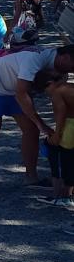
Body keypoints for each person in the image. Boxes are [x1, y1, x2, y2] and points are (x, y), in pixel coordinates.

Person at [0, 45, 74, 193]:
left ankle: (31, 177)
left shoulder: (59, 68)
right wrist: (42, 124)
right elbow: (21, 94)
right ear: (65, 57)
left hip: (16, 89)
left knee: (31, 130)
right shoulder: (36, 59)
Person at [44, 77, 74, 208]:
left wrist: (56, 135)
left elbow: (61, 114)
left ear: (50, 83)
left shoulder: (57, 92)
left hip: (70, 125)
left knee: (61, 156)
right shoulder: (69, 87)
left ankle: (62, 195)